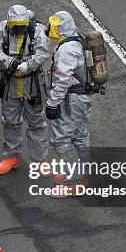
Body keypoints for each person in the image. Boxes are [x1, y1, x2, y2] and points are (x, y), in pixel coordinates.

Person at [0, 5, 51, 175]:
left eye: (21, 25)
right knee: (10, 121)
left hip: (32, 83)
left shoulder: (37, 30)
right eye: (14, 26)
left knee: (36, 122)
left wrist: (28, 65)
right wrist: (10, 63)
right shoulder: (2, 29)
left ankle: (40, 159)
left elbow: (43, 53)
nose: (18, 28)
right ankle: (11, 157)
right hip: (10, 82)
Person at [45, 11, 93, 197]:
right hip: (83, 97)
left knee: (62, 140)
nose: (51, 29)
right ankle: (82, 176)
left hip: (71, 99)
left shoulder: (67, 49)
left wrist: (52, 103)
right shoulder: (78, 39)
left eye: (54, 25)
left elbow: (63, 79)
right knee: (80, 136)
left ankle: (74, 182)